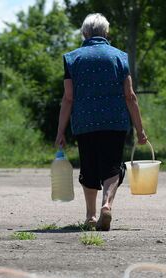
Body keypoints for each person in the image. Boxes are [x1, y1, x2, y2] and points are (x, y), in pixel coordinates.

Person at [55, 13, 147, 231]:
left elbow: (68, 97)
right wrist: (140, 129)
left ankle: (91, 216)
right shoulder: (119, 57)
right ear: (106, 33)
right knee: (112, 166)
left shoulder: (72, 58)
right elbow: (130, 96)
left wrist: (60, 131)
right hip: (115, 121)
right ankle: (107, 205)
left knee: (89, 165)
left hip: (84, 121)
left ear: (84, 33)